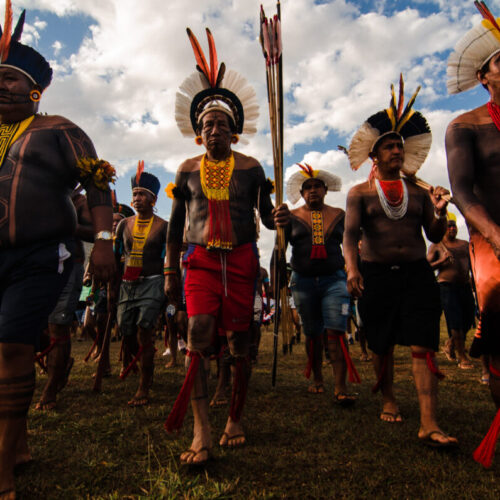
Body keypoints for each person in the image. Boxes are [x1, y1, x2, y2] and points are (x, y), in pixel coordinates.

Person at [0, 4, 115, 498]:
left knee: (12, 346)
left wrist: (106, 243)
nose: (0, 85)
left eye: (9, 78)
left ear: (34, 89)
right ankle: (18, 442)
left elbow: (98, 189)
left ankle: (1, 465)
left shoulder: (60, 129)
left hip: (42, 255)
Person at [164, 28, 288, 465]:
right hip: (197, 259)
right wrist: (167, 271)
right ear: (198, 133)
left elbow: (269, 211)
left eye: (221, 124)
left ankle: (235, 416)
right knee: (197, 334)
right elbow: (175, 227)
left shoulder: (253, 168)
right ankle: (201, 432)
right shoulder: (185, 171)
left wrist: (281, 219)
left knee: (240, 342)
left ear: (234, 132)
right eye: (206, 125)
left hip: (241, 259)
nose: (214, 129)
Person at [344, 76, 457, 446]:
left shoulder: (420, 192)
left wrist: (439, 212)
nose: (396, 150)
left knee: (423, 344)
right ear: (374, 156)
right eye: (389, 146)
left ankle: (429, 421)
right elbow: (350, 236)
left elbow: (435, 234)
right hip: (376, 275)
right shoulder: (359, 193)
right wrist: (352, 269)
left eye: (399, 145)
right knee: (381, 344)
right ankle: (390, 397)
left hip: (416, 273)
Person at [445, 1, 500, 467]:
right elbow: (462, 191)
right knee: (498, 296)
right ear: (486, 76)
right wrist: (495, 235)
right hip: (493, 239)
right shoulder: (465, 126)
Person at [285, 162, 359, 404]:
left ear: (326, 190)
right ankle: (317, 378)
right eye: (307, 188)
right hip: (302, 281)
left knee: (337, 330)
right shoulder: (291, 217)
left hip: (334, 280)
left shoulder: (340, 215)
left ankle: (340, 386)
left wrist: (354, 273)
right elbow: (279, 250)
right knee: (312, 333)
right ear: (301, 193)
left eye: (318, 186)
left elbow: (353, 244)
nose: (313, 191)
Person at [35, 189, 94, 410]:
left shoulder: (78, 200)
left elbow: (94, 232)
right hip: (35, 267)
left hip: (69, 265)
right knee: (33, 327)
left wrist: (67, 225)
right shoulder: (28, 189)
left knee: (57, 326)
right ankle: (62, 365)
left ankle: (50, 389)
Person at [114, 162, 167, 407]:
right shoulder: (123, 225)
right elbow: (116, 256)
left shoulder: (163, 227)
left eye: (142, 194)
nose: (136, 198)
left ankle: (144, 385)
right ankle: (135, 365)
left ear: (153, 199)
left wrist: (170, 284)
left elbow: (169, 257)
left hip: (153, 283)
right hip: (127, 285)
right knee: (126, 330)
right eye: (134, 194)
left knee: (145, 331)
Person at [427, 213, 475, 368]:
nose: (452, 228)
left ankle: (450, 343)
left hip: (466, 286)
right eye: (449, 226)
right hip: (447, 287)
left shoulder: (464, 244)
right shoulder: (437, 246)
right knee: (455, 323)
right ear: (444, 229)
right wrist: (442, 261)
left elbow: (473, 265)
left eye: (454, 225)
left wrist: (475, 281)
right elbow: (426, 267)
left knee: (468, 319)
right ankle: (462, 356)